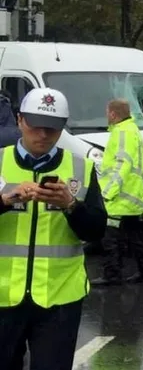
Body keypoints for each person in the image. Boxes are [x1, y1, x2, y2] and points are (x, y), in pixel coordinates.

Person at [0, 87, 107, 370]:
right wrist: (4, 201)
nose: (43, 135)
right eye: (36, 126)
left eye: (53, 128)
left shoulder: (81, 168)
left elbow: (96, 232)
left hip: (59, 300)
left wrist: (71, 205)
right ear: (20, 120)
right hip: (2, 298)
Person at [92, 98, 143, 286]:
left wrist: (108, 192)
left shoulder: (121, 132)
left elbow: (122, 164)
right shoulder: (132, 130)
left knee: (110, 238)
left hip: (119, 198)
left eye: (107, 112)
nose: (106, 116)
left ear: (113, 114)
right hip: (133, 196)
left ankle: (112, 275)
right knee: (136, 237)